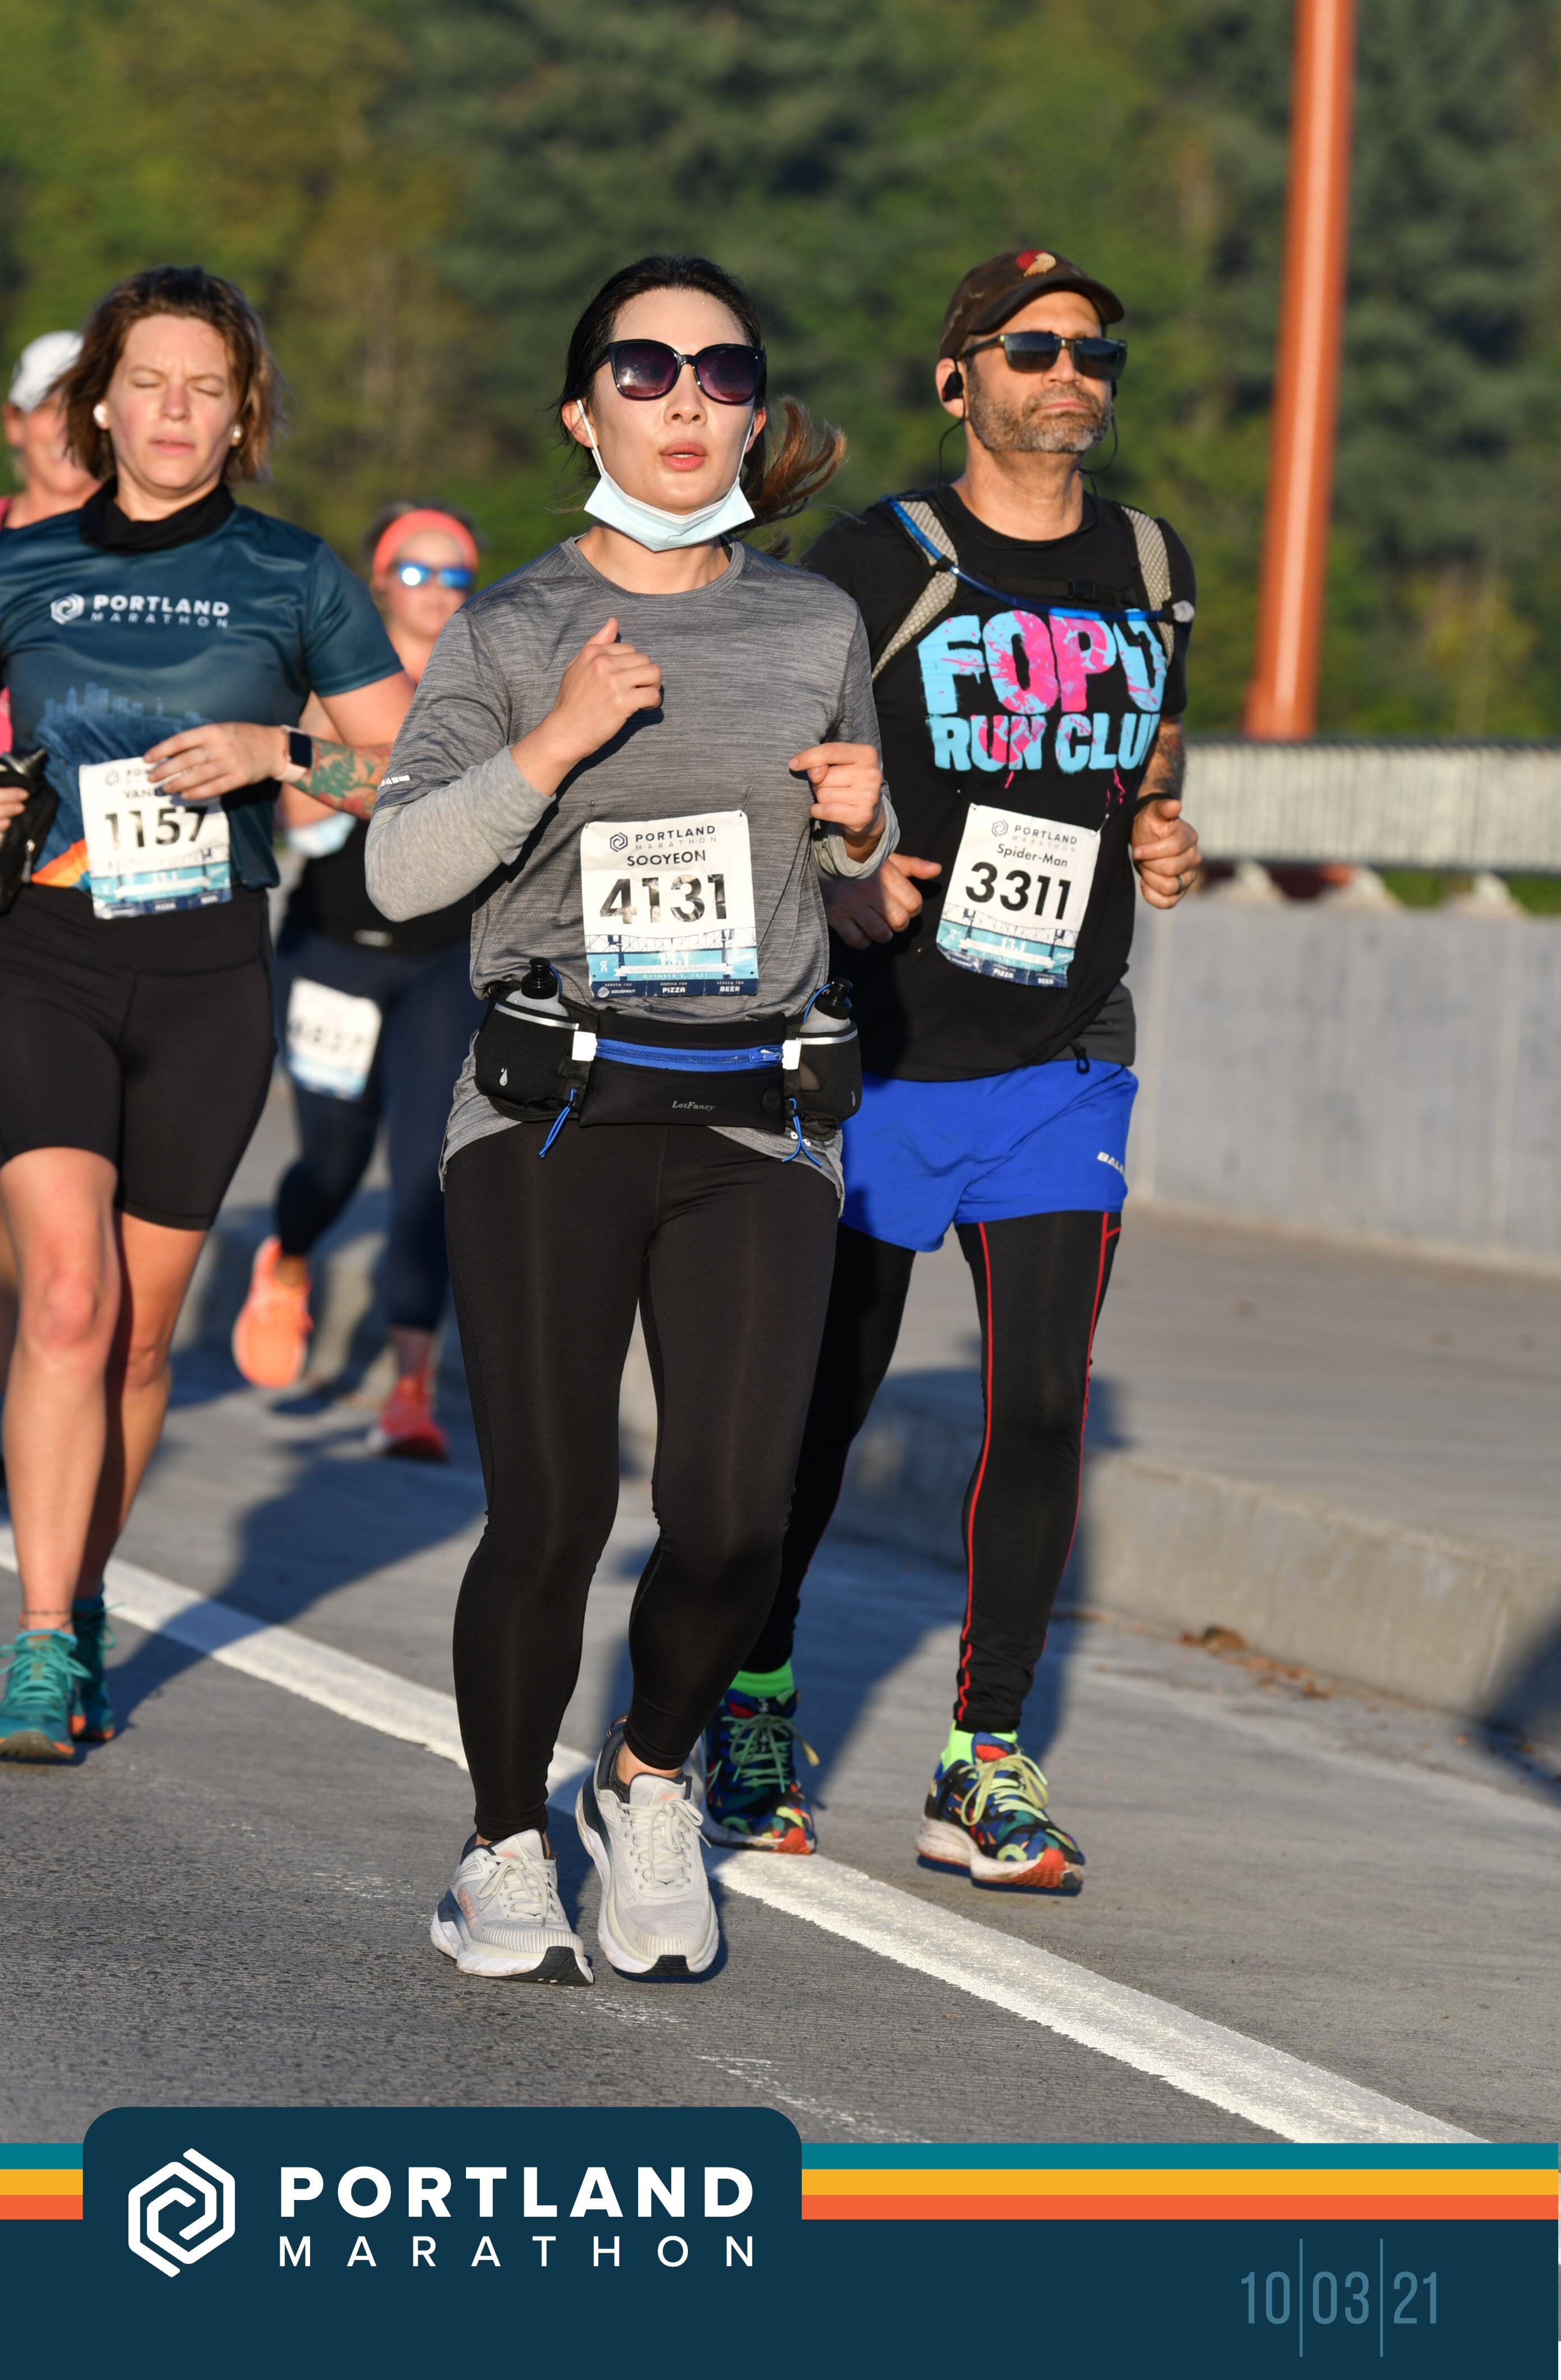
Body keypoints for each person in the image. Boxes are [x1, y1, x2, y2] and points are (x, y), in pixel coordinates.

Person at [365, 252, 894, 1984]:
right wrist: (557, 741)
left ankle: (646, 1777)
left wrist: (868, 823)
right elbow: (397, 868)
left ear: (755, 411)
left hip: (758, 1112)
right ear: (581, 410)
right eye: (644, 369)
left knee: (738, 1514)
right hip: (553, 1111)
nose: (685, 400)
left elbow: (860, 868)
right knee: (551, 1509)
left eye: (722, 372)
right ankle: (501, 1843)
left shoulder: (814, 627)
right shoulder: (513, 631)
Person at [701, 247, 1203, 1887]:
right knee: (824, 1406)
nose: (1071, 376)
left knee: (1043, 1402)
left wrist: (1161, 823)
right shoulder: (879, 558)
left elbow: (1148, 744)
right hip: (884, 1049)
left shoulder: (1149, 560)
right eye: (1034, 349)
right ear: (958, 378)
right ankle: (754, 1692)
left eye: (1094, 353)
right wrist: (840, 868)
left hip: (1064, 1051)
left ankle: (985, 1753)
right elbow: (769, 740)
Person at [0, 265, 412, 1762]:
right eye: (148, 383)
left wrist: (278, 750)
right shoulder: (23, 565)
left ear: (242, 417)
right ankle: (42, 1636)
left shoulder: (294, 572)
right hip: (40, 955)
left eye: (207, 388)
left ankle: (81, 1584)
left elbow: (415, 768)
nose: (175, 411)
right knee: (66, 1298)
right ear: (98, 406)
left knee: (138, 1340)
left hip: (209, 972)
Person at [230, 502, 486, 1459]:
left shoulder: (483, 684)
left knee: (428, 1172)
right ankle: (289, 1257)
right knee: (334, 1162)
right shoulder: (333, 678)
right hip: (334, 952)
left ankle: (410, 1392)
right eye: (416, 572)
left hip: (442, 961)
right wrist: (353, 752)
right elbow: (302, 827)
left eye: (454, 576)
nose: (436, 592)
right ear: (379, 583)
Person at [0, 333, 101, 1445]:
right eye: (52, 407)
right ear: (16, 422)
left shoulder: (166, 582)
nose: (69, 432)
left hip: (93, 928)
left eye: (91, 409)